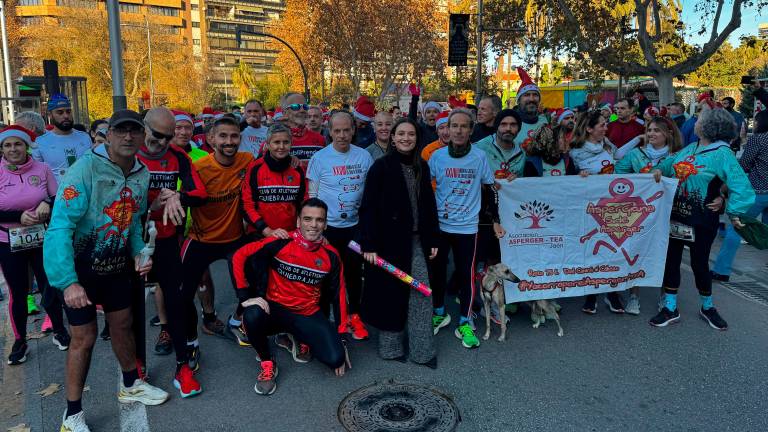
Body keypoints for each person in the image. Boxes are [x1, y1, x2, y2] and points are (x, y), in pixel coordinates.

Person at [44, 109, 169, 432]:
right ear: (108, 135)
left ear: (142, 136)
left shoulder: (142, 172)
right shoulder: (84, 169)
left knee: (122, 325)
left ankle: (131, 383)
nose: (128, 137)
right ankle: (72, 415)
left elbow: (133, 222)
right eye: (121, 131)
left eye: (134, 131)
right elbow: (59, 227)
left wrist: (140, 252)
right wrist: (67, 282)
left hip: (116, 266)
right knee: (82, 339)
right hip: (81, 268)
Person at [231, 198, 350, 396]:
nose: (313, 225)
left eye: (319, 220)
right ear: (298, 221)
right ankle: (267, 362)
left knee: (336, 359)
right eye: (307, 219)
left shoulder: (331, 255)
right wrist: (244, 297)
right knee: (251, 314)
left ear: (326, 224)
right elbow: (239, 255)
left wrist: (342, 336)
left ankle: (294, 336)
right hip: (275, 310)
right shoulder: (280, 241)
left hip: (307, 313)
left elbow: (339, 294)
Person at [651, 108, 755, 330]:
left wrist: (729, 207)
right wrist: (659, 170)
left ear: (709, 126)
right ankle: (670, 307)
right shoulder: (692, 147)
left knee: (699, 264)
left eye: (700, 120)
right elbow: (669, 165)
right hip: (675, 217)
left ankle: (707, 307)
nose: (695, 123)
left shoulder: (722, 154)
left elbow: (743, 189)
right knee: (671, 261)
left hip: (702, 220)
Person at [136, 108, 208, 397]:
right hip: (132, 240)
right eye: (157, 135)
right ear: (144, 128)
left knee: (177, 300)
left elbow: (200, 194)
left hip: (166, 240)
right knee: (131, 306)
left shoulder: (179, 157)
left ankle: (183, 366)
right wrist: (149, 207)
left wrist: (179, 195)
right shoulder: (128, 152)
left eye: (168, 137)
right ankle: (137, 365)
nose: (163, 142)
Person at [358, 118, 440, 367]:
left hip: (416, 240)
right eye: (401, 134)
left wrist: (432, 237)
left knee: (421, 293)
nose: (406, 138)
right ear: (392, 138)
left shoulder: (422, 167)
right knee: (391, 294)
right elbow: (369, 207)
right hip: (387, 242)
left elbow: (428, 205)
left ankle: (422, 351)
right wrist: (369, 244)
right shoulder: (380, 168)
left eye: (411, 134)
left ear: (417, 138)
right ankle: (391, 349)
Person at [182, 116, 254, 367]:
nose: (229, 141)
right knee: (185, 293)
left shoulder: (248, 161)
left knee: (250, 287)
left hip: (234, 239)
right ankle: (193, 340)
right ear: (211, 139)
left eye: (234, 136)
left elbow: (270, 167)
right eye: (223, 136)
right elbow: (181, 193)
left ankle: (236, 321)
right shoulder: (198, 167)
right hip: (200, 239)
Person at [428, 108, 503, 349]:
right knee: (437, 272)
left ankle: (465, 321)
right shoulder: (438, 157)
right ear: (447, 129)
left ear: (471, 130)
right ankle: (439, 312)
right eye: (454, 126)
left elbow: (490, 188)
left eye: (463, 126)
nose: (458, 130)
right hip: (441, 225)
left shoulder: (479, 157)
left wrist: (495, 219)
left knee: (465, 275)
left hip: (467, 227)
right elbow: (424, 190)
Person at [0, 125, 69, 364]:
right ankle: (20, 341)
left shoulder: (42, 169)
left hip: (41, 238)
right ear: (2, 149)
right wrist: (18, 216)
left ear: (26, 146)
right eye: (7, 145)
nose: (13, 149)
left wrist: (47, 204)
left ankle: (59, 330)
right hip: (8, 240)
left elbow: (58, 199)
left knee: (50, 285)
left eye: (17, 144)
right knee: (18, 292)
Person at [236, 123, 309, 346]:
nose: (281, 146)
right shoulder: (256, 168)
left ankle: (283, 331)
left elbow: (303, 202)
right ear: (267, 144)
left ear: (291, 144)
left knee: (286, 286)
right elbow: (247, 204)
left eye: (285, 142)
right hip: (261, 236)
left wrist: (299, 231)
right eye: (276, 142)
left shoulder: (297, 169)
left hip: (288, 238)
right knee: (260, 284)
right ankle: (250, 326)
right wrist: (266, 230)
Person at [307, 111, 374, 339]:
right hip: (329, 231)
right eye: (337, 131)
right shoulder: (320, 159)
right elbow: (312, 197)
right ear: (330, 131)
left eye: (347, 130)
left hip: (354, 230)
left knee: (354, 275)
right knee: (327, 275)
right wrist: (315, 231)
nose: (342, 135)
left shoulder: (364, 157)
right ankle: (326, 320)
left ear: (354, 130)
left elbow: (371, 196)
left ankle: (354, 316)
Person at [615, 116, 684, 315]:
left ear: (669, 134)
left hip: (667, 214)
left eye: (657, 130)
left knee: (665, 255)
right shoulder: (636, 154)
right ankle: (634, 296)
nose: (651, 134)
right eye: (650, 130)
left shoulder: (678, 157)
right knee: (635, 253)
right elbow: (618, 173)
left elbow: (687, 180)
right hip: (639, 214)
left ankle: (666, 296)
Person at [570, 110, 624, 314]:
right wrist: (578, 176)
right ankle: (591, 293)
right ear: (589, 129)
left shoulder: (608, 146)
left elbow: (620, 162)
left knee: (612, 248)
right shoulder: (575, 151)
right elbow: (567, 180)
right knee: (592, 249)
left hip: (612, 205)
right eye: (601, 125)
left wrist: (638, 139)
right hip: (589, 208)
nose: (606, 127)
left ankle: (612, 292)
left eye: (605, 124)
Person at [712, 110, 768, 282]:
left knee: (736, 228)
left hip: (757, 192)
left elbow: (743, 164)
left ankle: (721, 270)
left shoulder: (759, 139)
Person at [31, 94, 92, 183]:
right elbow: (38, 174)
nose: (66, 116)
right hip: (57, 195)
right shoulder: (41, 142)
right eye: (60, 112)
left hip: (86, 193)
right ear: (50, 115)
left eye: (68, 111)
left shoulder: (85, 137)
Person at [280, 93, 326, 168]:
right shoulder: (274, 140)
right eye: (295, 107)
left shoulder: (320, 139)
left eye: (305, 107)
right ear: (284, 113)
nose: (302, 110)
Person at [514, 68, 549, 147]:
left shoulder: (545, 121)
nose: (531, 99)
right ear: (519, 100)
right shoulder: (510, 123)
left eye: (535, 95)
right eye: (527, 95)